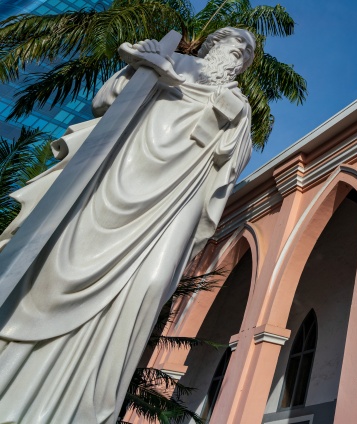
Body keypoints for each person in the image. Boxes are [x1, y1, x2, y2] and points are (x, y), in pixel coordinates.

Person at [0, 27, 256, 424]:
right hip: (122, 176)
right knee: (57, 268)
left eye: (245, 54)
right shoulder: (170, 60)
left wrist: (234, 122)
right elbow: (105, 102)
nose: (238, 55)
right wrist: (138, 66)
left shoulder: (238, 103)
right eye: (233, 46)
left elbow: (231, 164)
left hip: (177, 197)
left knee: (151, 284)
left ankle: (86, 405)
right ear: (212, 45)